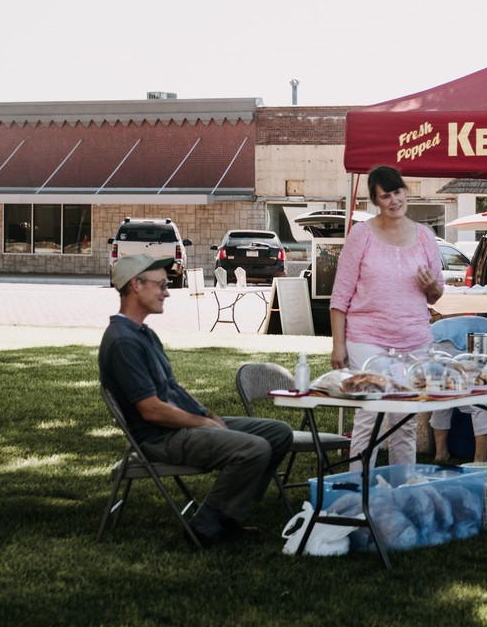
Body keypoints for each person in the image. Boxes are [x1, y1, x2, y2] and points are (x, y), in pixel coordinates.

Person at [98, 254, 293, 547]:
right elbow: (150, 410)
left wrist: (208, 414)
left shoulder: (143, 334)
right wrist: (202, 423)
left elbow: (172, 389)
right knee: (254, 448)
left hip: (181, 425)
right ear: (135, 285)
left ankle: (229, 511)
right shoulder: (124, 341)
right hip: (160, 437)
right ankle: (206, 528)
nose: (167, 291)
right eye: (161, 284)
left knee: (279, 433)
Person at [330, 164, 447, 467]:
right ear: (375, 201)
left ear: (405, 191)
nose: (394, 200)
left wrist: (432, 285)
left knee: (404, 419)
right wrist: (338, 345)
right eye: (386, 196)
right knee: (369, 414)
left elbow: (436, 294)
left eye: (397, 192)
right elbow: (340, 295)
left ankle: (401, 490)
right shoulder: (361, 234)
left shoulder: (425, 236)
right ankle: (358, 492)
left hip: (413, 341)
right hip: (367, 340)